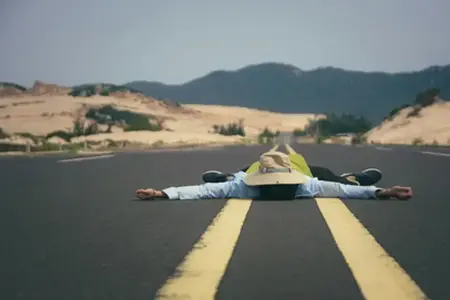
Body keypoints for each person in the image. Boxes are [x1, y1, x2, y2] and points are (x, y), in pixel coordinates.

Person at [135, 151, 413, 201]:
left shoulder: (303, 183)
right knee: (234, 176)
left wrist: (382, 191)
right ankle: (224, 175)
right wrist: (163, 193)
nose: (280, 190)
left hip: (301, 167)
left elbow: (343, 192)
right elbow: (201, 191)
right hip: (253, 169)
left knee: (337, 180)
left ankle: (355, 176)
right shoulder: (246, 185)